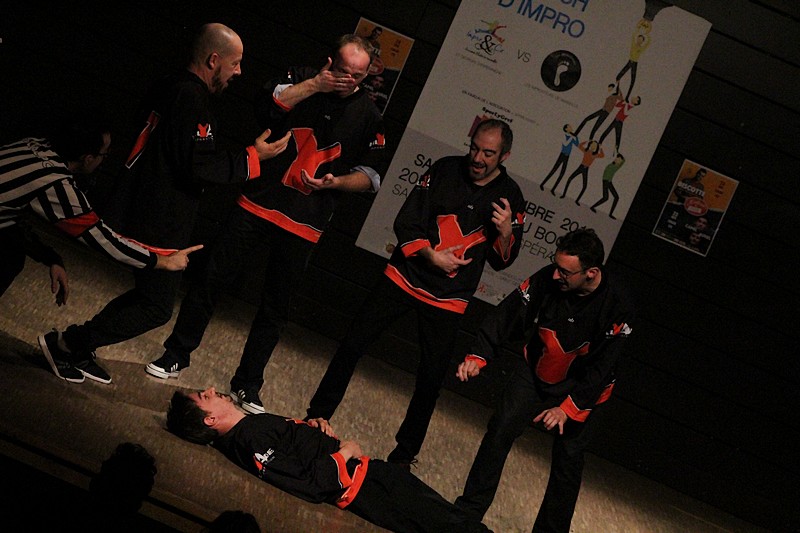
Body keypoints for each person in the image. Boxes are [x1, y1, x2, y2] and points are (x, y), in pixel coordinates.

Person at [145, 34, 387, 416]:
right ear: (331, 61)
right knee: (211, 279)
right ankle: (176, 353)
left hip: (305, 220)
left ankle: (248, 384)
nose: (347, 80)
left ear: (367, 74)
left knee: (276, 308)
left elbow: (371, 176)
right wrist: (315, 85)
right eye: (342, 70)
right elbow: (267, 106)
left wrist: (337, 182)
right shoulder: (303, 78)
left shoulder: (369, 115)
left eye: (356, 76)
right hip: (258, 201)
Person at [38, 23, 290, 385]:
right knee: (156, 305)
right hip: (156, 215)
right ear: (213, 59)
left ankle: (75, 344)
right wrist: (254, 156)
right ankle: (67, 345)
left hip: (144, 204)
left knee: (149, 297)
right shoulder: (192, 98)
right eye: (235, 63)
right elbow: (198, 165)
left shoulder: (170, 84)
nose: (239, 72)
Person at [305, 119, 526, 468]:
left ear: (504, 156)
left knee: (430, 380)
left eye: (488, 153)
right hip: (403, 276)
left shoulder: (511, 197)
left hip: (449, 298)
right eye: (474, 148)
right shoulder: (444, 169)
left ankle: (403, 457)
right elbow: (406, 220)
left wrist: (505, 233)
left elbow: (503, 261)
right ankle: (316, 418)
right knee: (352, 344)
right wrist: (431, 256)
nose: (477, 158)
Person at [453, 228, 635, 533]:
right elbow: (509, 313)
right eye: (556, 265)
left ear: (591, 273)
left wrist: (568, 408)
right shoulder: (548, 279)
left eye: (565, 271)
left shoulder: (619, 304)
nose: (555, 275)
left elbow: (603, 367)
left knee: (568, 458)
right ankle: (466, 514)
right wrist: (479, 354)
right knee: (500, 429)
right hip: (538, 371)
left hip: (584, 387)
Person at [167, 387, 491, 533]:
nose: (212, 389)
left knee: (455, 520)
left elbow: (292, 453)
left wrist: (311, 430)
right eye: (204, 396)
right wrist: (345, 452)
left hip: (375, 477)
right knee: (457, 526)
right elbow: (308, 483)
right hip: (371, 490)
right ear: (209, 420)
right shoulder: (247, 440)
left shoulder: (248, 430)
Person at [558, 140, 604, 205]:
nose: (593, 146)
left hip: (586, 169)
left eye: (595, 146)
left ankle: (577, 200)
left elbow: (602, 155)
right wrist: (586, 141)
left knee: (584, 186)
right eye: (592, 144)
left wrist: (600, 148)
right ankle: (564, 194)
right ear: (590, 145)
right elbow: (580, 146)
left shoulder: (595, 154)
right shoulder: (586, 150)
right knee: (570, 179)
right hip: (581, 167)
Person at [539, 124, 579, 194]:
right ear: (566, 129)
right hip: (562, 155)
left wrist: (576, 137)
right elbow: (565, 144)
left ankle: (553, 189)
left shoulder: (571, 136)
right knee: (554, 170)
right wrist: (571, 137)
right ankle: (542, 184)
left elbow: (577, 144)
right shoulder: (564, 136)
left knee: (562, 173)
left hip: (567, 156)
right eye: (569, 127)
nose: (571, 128)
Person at [589, 153, 626, 219]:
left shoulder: (617, 166)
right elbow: (605, 174)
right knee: (606, 197)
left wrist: (619, 155)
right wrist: (607, 180)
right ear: (616, 159)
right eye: (618, 159)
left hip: (609, 182)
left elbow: (623, 161)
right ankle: (593, 207)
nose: (619, 161)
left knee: (615, 197)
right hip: (606, 181)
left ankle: (610, 214)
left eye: (620, 160)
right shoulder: (610, 166)